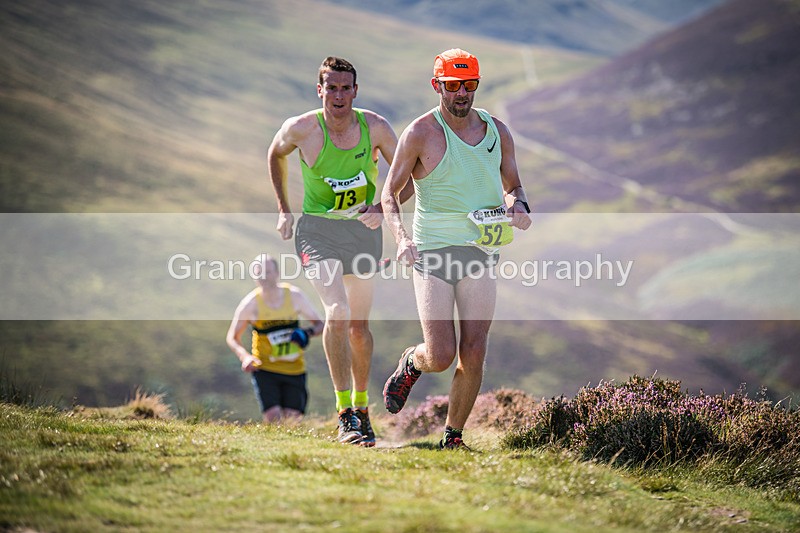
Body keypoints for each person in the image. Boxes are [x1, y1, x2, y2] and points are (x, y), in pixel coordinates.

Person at [380, 48, 532, 449]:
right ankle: (413, 361)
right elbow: (389, 194)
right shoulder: (420, 133)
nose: (462, 94)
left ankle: (453, 437)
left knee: (475, 350)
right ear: (437, 86)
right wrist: (401, 239)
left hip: (481, 251)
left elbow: (513, 185)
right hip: (431, 252)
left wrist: (518, 204)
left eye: (469, 85)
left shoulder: (498, 131)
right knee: (442, 353)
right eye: (453, 86)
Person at [267, 56, 410, 445]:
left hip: (363, 233)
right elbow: (275, 154)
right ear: (320, 90)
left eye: (346, 88)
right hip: (317, 231)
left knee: (360, 330)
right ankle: (344, 412)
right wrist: (284, 210)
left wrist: (383, 208)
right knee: (338, 311)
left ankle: (363, 409)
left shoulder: (375, 127)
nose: (339, 96)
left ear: (355, 91)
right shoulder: (302, 128)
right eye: (332, 88)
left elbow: (409, 173)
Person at [226, 253, 324, 423]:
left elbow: (321, 325)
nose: (263, 277)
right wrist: (245, 356)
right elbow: (232, 337)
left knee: (293, 421)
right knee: (274, 419)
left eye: (267, 272)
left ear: (277, 273)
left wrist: (305, 333)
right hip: (265, 369)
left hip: (295, 369)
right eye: (258, 273)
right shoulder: (250, 304)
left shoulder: (294, 296)